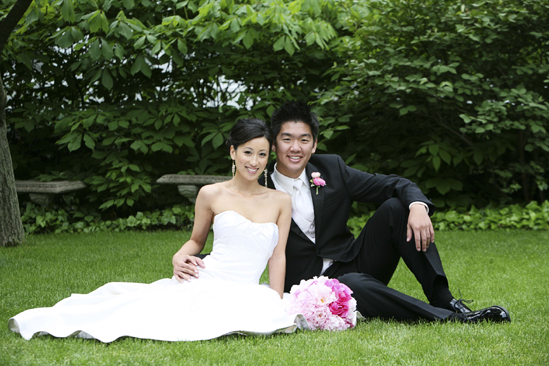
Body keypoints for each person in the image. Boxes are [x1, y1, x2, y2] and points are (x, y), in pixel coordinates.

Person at [9, 118, 301, 342]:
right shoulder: (211, 194)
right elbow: (196, 241)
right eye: (247, 152)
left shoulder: (280, 201)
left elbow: (277, 256)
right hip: (207, 278)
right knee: (151, 312)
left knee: (250, 315)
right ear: (233, 152)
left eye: (262, 155)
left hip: (248, 287)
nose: (254, 161)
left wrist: (276, 299)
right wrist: (178, 256)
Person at [257, 100, 510, 324]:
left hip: (352, 262)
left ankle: (444, 300)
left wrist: (418, 206)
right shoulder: (259, 187)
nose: (295, 148)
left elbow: (392, 184)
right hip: (306, 286)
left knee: (396, 207)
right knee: (354, 284)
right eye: (287, 139)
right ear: (274, 143)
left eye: (304, 139)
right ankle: (450, 319)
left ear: (314, 145)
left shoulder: (331, 167)